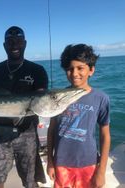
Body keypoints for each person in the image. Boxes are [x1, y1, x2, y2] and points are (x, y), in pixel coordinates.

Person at [0, 26, 49, 188]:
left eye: (18, 41)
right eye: (10, 42)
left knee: (31, 181)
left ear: (25, 43)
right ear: (4, 45)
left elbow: (41, 102)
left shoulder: (37, 70)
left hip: (28, 134)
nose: (14, 46)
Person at [47, 44, 111, 188]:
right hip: (61, 163)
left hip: (89, 163)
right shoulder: (56, 97)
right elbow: (51, 131)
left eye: (80, 68)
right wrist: (50, 162)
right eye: (70, 69)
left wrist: (101, 170)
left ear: (91, 70)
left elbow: (105, 135)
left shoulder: (101, 98)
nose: (74, 73)